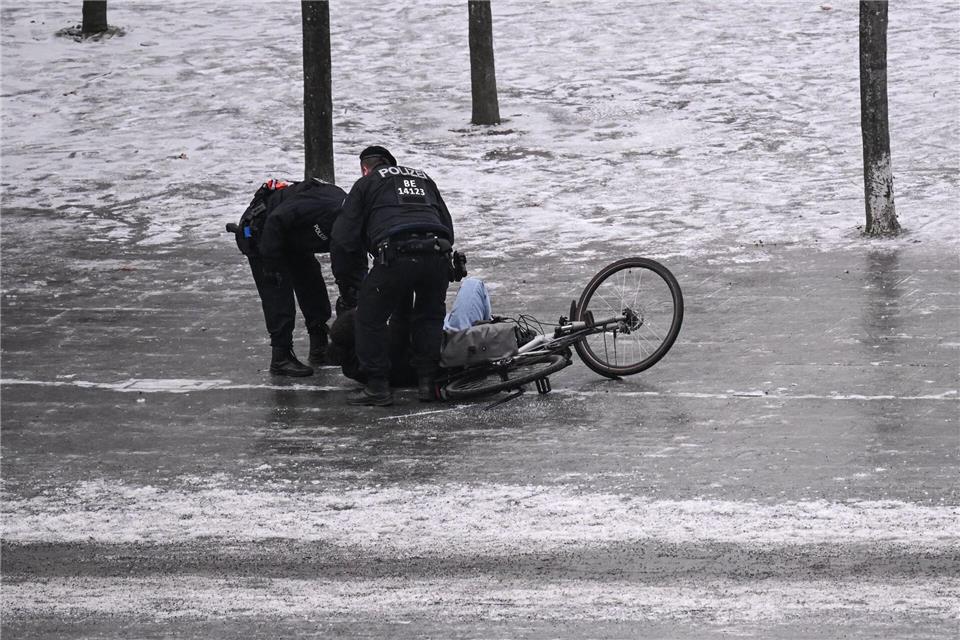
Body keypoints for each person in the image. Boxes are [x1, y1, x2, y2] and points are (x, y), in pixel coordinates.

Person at [331, 145, 455, 406]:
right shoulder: (422, 178)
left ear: (366, 168)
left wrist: (349, 282)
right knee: (429, 317)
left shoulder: (367, 184)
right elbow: (446, 223)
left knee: (369, 316)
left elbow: (343, 237)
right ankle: (426, 383)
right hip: (437, 253)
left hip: (397, 253)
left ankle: (377, 387)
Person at [240, 177, 346, 377]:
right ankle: (281, 357)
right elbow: (276, 219)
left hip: (293, 237)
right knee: (278, 294)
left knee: (312, 283)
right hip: (263, 232)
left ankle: (319, 347)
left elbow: (348, 262)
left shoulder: (352, 221)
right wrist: (270, 266)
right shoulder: (323, 207)